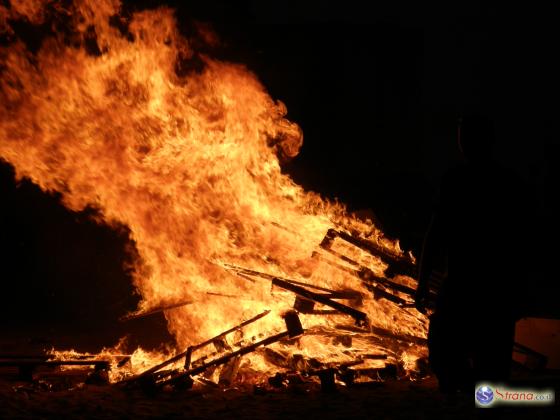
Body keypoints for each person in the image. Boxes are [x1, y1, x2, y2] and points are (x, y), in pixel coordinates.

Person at [415, 114, 527, 393]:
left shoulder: (463, 181)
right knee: (453, 356)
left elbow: (436, 232)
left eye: (466, 137)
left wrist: (423, 279)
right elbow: (437, 231)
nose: (462, 142)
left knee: (482, 365)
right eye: (461, 136)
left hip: (480, 288)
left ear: (484, 141)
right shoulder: (500, 181)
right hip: (478, 288)